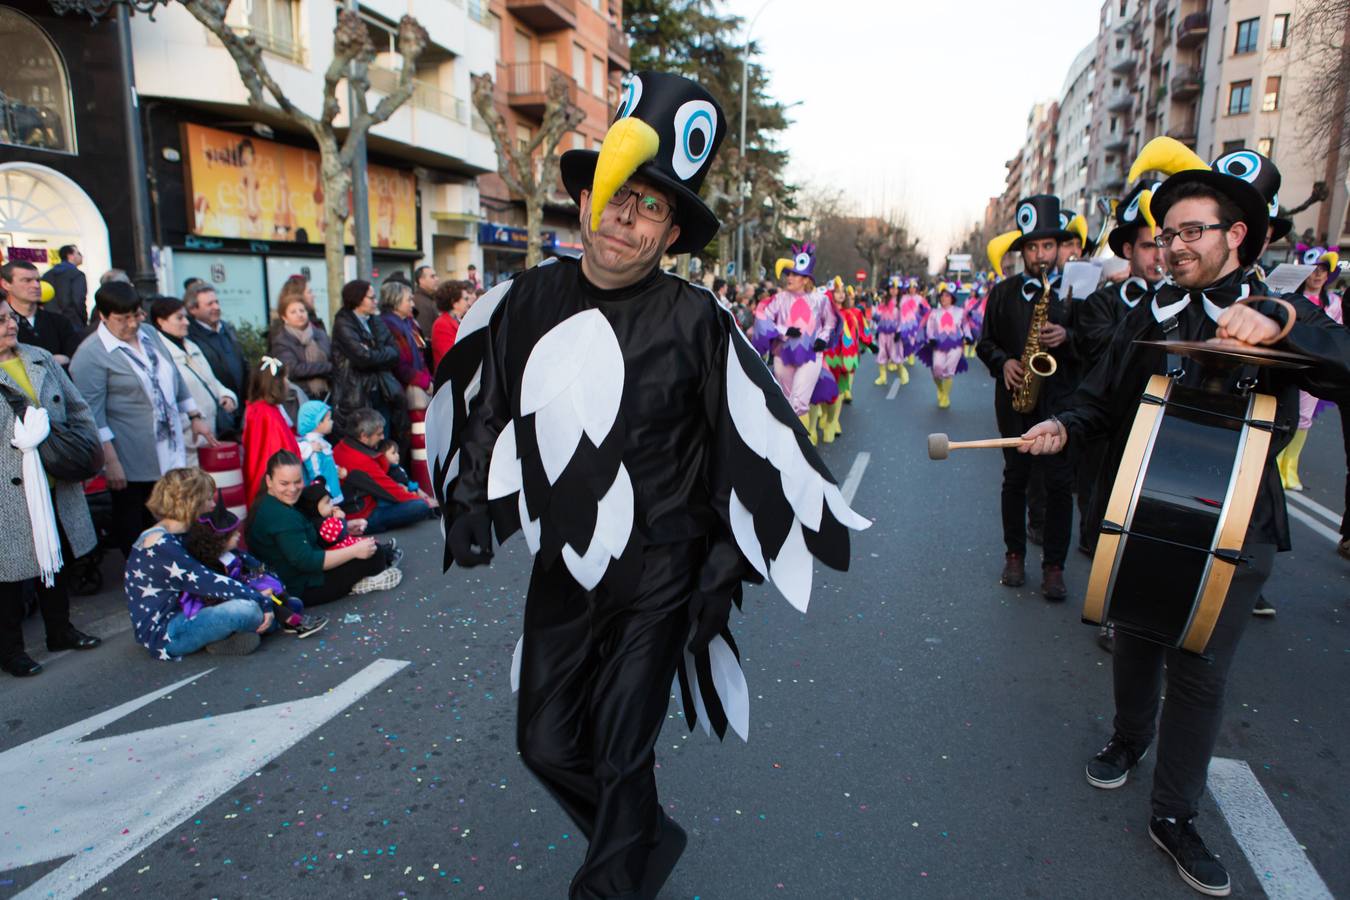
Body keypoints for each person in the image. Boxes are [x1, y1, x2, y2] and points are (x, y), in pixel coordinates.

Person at [427, 71, 868, 899]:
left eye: (652, 205)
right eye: (616, 193)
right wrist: (465, 505)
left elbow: (749, 455)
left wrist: (718, 580)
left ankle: (611, 882)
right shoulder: (525, 300)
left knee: (623, 747)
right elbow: (487, 405)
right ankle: (643, 840)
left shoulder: (699, 322)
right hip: (566, 564)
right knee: (546, 745)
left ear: (670, 233)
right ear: (591, 196)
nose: (626, 215)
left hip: (663, 572)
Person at [1020, 139, 1350, 898]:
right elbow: (1098, 397)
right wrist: (1064, 426)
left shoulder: (1278, 308)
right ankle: (1129, 737)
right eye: (1166, 234)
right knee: (1135, 635)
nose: (1172, 246)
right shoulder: (1150, 313)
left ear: (1236, 235)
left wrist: (1286, 321)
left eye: (1190, 231)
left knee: (1199, 668)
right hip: (1146, 509)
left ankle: (1174, 814)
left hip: (1238, 527)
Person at [976, 194, 1077, 601]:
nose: (1040, 255)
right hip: (1015, 400)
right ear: (1023, 252)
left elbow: (1097, 344)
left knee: (1058, 484)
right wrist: (1003, 362)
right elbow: (985, 342)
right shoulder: (1003, 293)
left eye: (1047, 246)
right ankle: (1014, 555)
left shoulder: (1075, 292)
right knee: (1015, 479)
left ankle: (1054, 566)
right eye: (1033, 247)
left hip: (1059, 400)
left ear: (1058, 249)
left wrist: (1068, 336)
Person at [71, 281, 217, 557]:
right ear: (103, 315)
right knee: (138, 518)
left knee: (176, 510)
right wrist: (111, 462)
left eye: (135, 315)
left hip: (170, 444)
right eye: (122, 319)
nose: (131, 324)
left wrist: (194, 415)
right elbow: (92, 415)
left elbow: (173, 375)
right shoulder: (92, 354)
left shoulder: (149, 332)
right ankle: (144, 576)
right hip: (130, 451)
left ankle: (178, 569)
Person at [0, 302, 102, 677]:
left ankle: (60, 630)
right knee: (8, 577)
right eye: (0, 320)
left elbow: (77, 409)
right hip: (7, 492)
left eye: (9, 317)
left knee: (56, 559)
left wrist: (86, 449)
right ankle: (11, 651)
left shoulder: (39, 356)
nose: (10, 325)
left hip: (55, 480)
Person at [1074, 182, 1166, 561]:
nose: (1161, 254)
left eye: (1166, 242)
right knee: (1100, 513)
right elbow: (1102, 354)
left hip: (1158, 431)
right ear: (1128, 250)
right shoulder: (1102, 302)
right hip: (1108, 426)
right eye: (1149, 245)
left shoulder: (1182, 306)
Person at [125, 467, 278, 659]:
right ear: (191, 502)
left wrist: (262, 579)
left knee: (256, 604)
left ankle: (226, 636)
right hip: (167, 634)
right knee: (248, 610)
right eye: (207, 499)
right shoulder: (161, 545)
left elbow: (223, 559)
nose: (213, 504)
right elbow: (210, 582)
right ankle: (223, 637)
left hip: (189, 612)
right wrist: (262, 601)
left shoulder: (176, 531)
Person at [247, 450, 401, 603]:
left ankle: (360, 579)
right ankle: (358, 584)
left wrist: (345, 529)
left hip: (294, 579)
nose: (293, 489)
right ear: (269, 481)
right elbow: (308, 561)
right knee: (375, 555)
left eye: (297, 481)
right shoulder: (280, 516)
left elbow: (302, 538)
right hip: (302, 588)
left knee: (369, 550)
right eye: (284, 483)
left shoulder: (270, 503)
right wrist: (354, 552)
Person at [184, 502, 327, 638]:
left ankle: (287, 618)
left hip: (243, 589)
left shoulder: (231, 554)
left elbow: (250, 567)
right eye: (234, 535)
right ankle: (295, 623)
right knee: (267, 599)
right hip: (223, 601)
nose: (238, 536)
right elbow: (220, 592)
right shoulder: (210, 565)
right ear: (219, 541)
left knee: (282, 597)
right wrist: (256, 592)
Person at [1275, 248, 1343, 491]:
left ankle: (1290, 467)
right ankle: (1275, 463)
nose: (1317, 276)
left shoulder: (1334, 303)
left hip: (1317, 367)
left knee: (1304, 418)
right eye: (1314, 270)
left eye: (1323, 271)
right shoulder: (1292, 296)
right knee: (1284, 412)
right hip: (1290, 365)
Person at [756, 243, 837, 444]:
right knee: (786, 400)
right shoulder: (779, 299)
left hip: (811, 355)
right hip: (784, 355)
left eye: (793, 274)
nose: (789, 278)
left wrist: (822, 339)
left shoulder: (821, 300)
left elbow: (831, 322)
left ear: (806, 279)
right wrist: (783, 332)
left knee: (799, 402)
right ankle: (794, 443)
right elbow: (763, 316)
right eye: (788, 274)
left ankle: (799, 445)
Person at [151, 295, 241, 459]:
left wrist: (226, 396)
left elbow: (211, 381)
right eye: (179, 318)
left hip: (212, 431)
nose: (186, 322)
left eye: (186, 317)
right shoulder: (159, 355)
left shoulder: (191, 345)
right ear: (161, 321)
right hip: (187, 439)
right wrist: (191, 420)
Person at [332, 407, 435, 533]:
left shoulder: (342, 446)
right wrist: (425, 501)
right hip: (363, 514)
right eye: (379, 434)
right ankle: (369, 526)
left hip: (359, 505)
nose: (382, 437)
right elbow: (392, 491)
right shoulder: (360, 460)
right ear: (364, 436)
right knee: (419, 506)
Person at [329, 279, 406, 441]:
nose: (375, 301)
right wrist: (377, 353)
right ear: (357, 299)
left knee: (384, 438)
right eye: (371, 298)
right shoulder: (343, 323)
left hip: (381, 390)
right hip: (357, 394)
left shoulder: (374, 319)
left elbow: (395, 352)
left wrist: (373, 353)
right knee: (365, 442)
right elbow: (362, 358)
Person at [241, 357, 302, 507]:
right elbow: (280, 449)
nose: (288, 382)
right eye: (286, 378)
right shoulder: (268, 414)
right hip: (272, 487)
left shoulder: (256, 409)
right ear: (276, 383)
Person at [3, 260, 79, 366]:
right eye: (27, 280)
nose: (36, 285)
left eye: (38, 280)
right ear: (6, 284)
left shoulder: (59, 321)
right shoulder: (5, 326)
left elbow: (77, 357)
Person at [185, 283, 250, 401]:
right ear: (193, 309)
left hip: (242, 402)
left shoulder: (227, 328)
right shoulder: (189, 337)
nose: (216, 307)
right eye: (210, 304)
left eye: (217, 302)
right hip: (219, 404)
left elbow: (242, 362)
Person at [269, 284, 333, 400]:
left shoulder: (320, 334)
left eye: (302, 310)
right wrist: (326, 367)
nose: (299, 314)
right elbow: (293, 369)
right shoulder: (282, 340)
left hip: (328, 394)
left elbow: (333, 358)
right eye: (293, 312)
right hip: (300, 396)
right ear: (284, 317)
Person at [378, 280, 432, 416]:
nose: (412, 304)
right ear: (395, 301)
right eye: (409, 300)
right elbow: (400, 364)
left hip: (418, 384)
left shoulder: (409, 323)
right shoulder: (389, 325)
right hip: (405, 388)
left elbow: (421, 354)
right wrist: (425, 381)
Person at [918, 283, 971, 409]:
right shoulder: (934, 313)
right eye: (942, 296)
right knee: (936, 369)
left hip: (956, 345)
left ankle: (945, 396)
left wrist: (968, 336)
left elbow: (966, 326)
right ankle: (941, 388)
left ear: (952, 297)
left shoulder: (960, 312)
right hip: (939, 344)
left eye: (947, 296)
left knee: (949, 371)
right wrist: (931, 339)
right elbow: (930, 328)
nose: (943, 298)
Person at [296, 399, 344, 503]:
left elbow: (325, 464)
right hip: (325, 498)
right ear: (317, 423)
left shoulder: (319, 442)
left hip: (330, 492)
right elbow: (316, 473)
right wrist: (323, 497)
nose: (332, 422)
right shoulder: (313, 445)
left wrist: (335, 469)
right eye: (329, 419)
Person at [41, 244, 88, 330]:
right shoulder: (77, 274)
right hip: (73, 322)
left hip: (50, 322)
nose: (81, 256)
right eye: (78, 253)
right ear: (70, 255)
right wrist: (83, 320)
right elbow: (79, 300)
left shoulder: (47, 275)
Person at [431, 280, 469, 370]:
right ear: (454, 303)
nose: (468, 303)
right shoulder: (442, 324)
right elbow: (452, 357)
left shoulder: (458, 320)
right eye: (465, 299)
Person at [871, 283, 903, 385]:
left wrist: (899, 331)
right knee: (881, 353)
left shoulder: (900, 303)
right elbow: (878, 314)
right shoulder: (884, 301)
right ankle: (882, 377)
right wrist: (876, 315)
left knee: (894, 355)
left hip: (893, 333)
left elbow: (902, 319)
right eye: (892, 288)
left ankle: (902, 374)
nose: (894, 290)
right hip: (882, 332)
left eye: (896, 288)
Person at [411, 264, 440, 331]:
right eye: (432, 277)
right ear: (421, 280)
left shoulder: (431, 298)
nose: (437, 279)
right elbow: (426, 332)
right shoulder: (419, 302)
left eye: (436, 276)